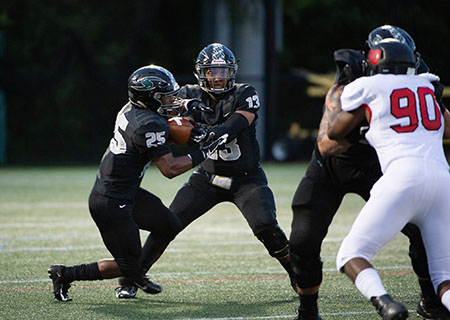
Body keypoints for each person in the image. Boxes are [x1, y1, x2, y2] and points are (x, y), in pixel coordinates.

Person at [289, 25, 450, 320]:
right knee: (303, 241)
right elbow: (326, 144)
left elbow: (443, 124)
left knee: (421, 230)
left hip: (380, 164)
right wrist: (365, 126)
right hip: (332, 168)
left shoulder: (418, 76)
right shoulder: (354, 76)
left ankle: (430, 301)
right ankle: (308, 311)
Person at [115, 43, 295, 298]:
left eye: (223, 71)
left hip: (246, 178)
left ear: (233, 72)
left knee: (266, 225)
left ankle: (296, 272)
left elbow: (233, 126)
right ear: (202, 73)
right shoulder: (187, 93)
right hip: (207, 178)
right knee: (168, 224)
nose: (219, 77)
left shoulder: (245, 93)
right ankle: (133, 277)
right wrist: (184, 110)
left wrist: (207, 133)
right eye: (213, 71)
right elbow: (153, 106)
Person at [47, 65, 227, 301]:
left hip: (126, 192)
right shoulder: (147, 124)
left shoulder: (133, 109)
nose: (171, 99)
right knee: (127, 266)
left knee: (169, 225)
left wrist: (186, 107)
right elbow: (169, 168)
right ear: (149, 98)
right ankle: (65, 274)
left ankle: (136, 273)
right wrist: (203, 151)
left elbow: (164, 119)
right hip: (111, 203)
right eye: (165, 96)